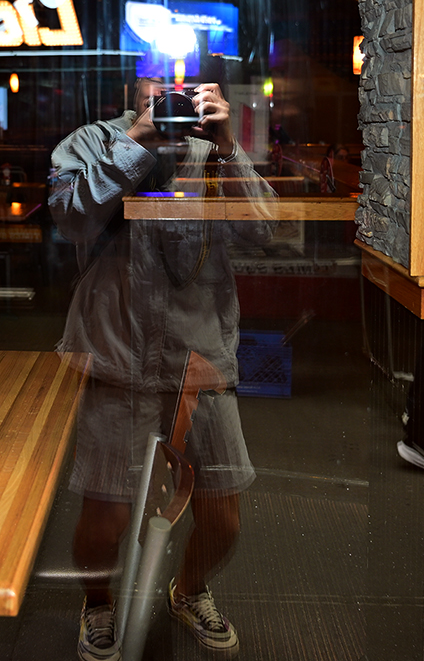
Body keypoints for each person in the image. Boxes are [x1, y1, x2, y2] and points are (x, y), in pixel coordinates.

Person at [49, 77, 276, 660]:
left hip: (199, 355)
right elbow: (70, 219)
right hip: (117, 355)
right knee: (105, 517)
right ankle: (98, 603)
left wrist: (228, 148)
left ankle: (189, 590)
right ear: (132, 86)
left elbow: (265, 228)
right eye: (156, 81)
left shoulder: (211, 150)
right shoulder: (93, 141)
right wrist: (138, 141)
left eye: (181, 80)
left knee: (223, 517)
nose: (169, 93)